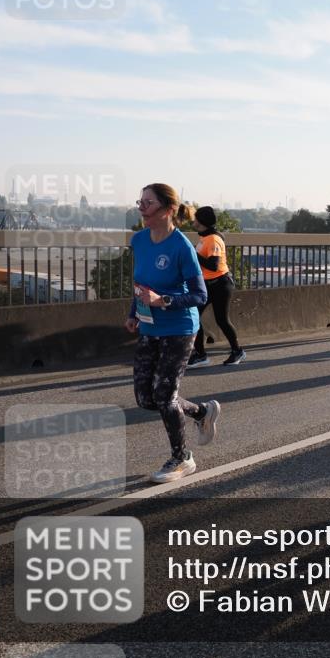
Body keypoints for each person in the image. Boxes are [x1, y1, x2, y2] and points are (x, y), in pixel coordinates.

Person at [126, 184, 220, 483]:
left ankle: (182, 459)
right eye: (140, 201)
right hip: (149, 326)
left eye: (148, 202)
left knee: (165, 396)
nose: (141, 207)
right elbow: (141, 283)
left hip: (179, 329)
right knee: (145, 398)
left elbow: (198, 294)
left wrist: (163, 301)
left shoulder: (181, 247)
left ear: (167, 210)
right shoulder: (139, 241)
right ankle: (201, 412)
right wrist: (133, 314)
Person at [189, 206, 246, 368]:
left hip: (221, 284)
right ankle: (200, 355)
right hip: (207, 284)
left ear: (202, 222)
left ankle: (237, 351)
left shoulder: (213, 239)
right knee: (194, 317)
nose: (193, 221)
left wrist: (194, 254)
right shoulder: (205, 237)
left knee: (222, 320)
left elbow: (213, 265)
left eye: (196, 219)